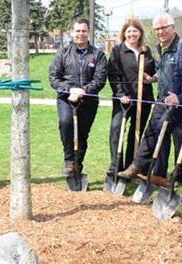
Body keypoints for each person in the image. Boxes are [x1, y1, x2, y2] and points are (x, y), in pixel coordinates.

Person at [119, 7, 182, 197]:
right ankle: (146, 169)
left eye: (164, 28)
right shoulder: (159, 48)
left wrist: (180, 96)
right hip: (167, 98)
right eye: (157, 29)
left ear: (173, 27)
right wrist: (153, 79)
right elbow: (168, 71)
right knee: (155, 131)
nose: (160, 32)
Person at [49, 17, 107, 177]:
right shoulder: (62, 53)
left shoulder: (98, 55)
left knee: (82, 134)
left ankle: (77, 166)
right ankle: (69, 160)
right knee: (65, 123)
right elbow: (54, 77)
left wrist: (83, 91)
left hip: (88, 100)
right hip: (66, 99)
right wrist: (70, 90)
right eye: (77, 31)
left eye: (83, 31)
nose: (80, 34)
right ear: (71, 32)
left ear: (88, 33)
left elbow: (100, 79)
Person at [106, 18, 156, 177]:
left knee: (136, 132)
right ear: (124, 33)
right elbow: (113, 74)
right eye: (129, 31)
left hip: (144, 98)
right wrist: (121, 94)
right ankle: (115, 166)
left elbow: (154, 70)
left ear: (140, 32)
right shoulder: (118, 51)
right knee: (116, 129)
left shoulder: (146, 50)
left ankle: (130, 168)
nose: (132, 34)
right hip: (124, 100)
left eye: (135, 30)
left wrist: (151, 78)